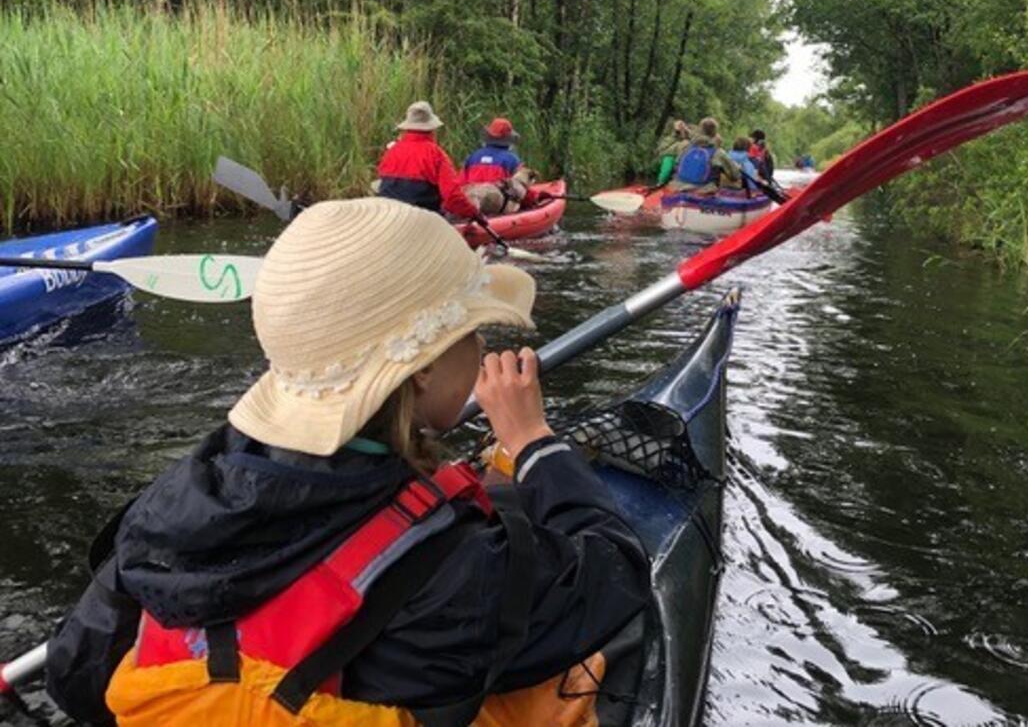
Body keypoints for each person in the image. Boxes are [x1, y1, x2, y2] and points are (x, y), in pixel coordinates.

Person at [44, 198, 650, 726]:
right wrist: (534, 440)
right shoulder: (459, 565)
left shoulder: (170, 504)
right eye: (474, 333)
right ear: (424, 371)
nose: (483, 349)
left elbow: (75, 681)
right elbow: (616, 578)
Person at [375, 100, 482, 221]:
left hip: (389, 216)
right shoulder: (436, 154)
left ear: (407, 128)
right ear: (432, 129)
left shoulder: (391, 151)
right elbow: (452, 197)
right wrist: (473, 213)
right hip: (422, 220)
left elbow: (382, 183)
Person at [462, 118, 532, 215]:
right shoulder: (512, 160)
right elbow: (519, 189)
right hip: (498, 208)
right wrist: (534, 199)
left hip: (473, 205)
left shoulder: (472, 157)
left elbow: (461, 184)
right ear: (508, 139)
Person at [670, 117, 741, 194]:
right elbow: (735, 175)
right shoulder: (718, 153)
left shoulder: (685, 147)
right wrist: (738, 167)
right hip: (703, 191)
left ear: (699, 130)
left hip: (677, 186)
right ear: (715, 133)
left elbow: (676, 165)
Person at [653, 119, 691, 187]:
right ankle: (661, 182)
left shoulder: (689, 139)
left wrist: (686, 130)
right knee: (667, 166)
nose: (681, 127)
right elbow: (662, 151)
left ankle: (664, 182)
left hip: (681, 160)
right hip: (670, 158)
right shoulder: (670, 139)